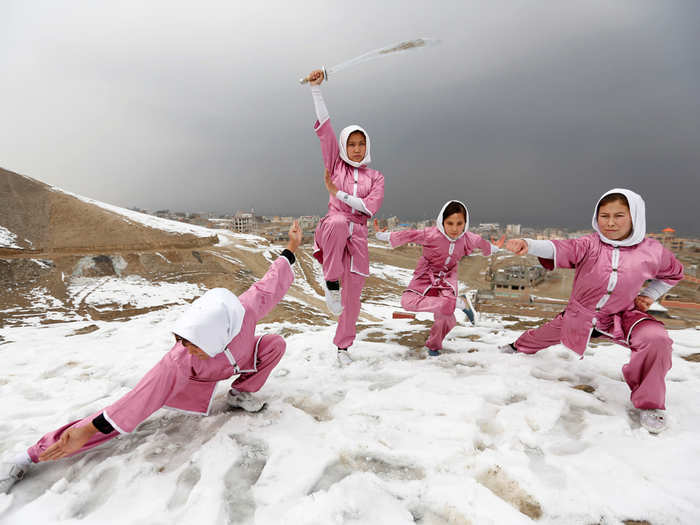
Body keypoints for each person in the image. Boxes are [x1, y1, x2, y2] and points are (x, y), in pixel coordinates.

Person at [0, 222, 303, 494]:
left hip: (235, 361)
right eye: (182, 340)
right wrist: (82, 432)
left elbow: (272, 280)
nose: (185, 346)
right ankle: (24, 457)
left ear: (216, 333)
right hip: (196, 379)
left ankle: (241, 394)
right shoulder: (180, 361)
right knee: (129, 412)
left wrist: (292, 246)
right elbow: (129, 406)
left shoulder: (243, 311)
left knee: (274, 344)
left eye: (192, 342)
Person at [501, 189, 683, 433]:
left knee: (656, 340)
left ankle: (650, 405)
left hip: (622, 317)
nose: (610, 222)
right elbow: (560, 248)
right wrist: (529, 244)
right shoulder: (589, 244)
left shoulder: (652, 251)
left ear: (635, 217)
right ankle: (517, 346)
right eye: (604, 216)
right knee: (541, 336)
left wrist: (649, 295)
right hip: (580, 315)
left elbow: (674, 273)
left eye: (619, 215)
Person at [306, 69, 385, 365]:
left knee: (352, 301)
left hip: (359, 239)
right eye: (351, 144)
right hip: (334, 228)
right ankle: (330, 283)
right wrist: (316, 89)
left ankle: (342, 348)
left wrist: (338, 194)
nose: (355, 148)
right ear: (344, 146)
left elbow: (369, 208)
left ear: (367, 146)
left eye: (360, 144)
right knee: (339, 222)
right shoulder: (334, 165)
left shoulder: (376, 177)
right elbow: (325, 129)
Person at [375, 200, 503, 356]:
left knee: (445, 317)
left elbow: (484, 245)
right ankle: (458, 303)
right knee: (407, 302)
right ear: (442, 222)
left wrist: (495, 247)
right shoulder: (431, 234)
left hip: (448, 277)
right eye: (450, 223)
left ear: (465, 223)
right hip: (425, 275)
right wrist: (382, 235)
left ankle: (434, 346)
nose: (455, 229)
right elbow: (408, 235)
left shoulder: (469, 238)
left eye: (459, 223)